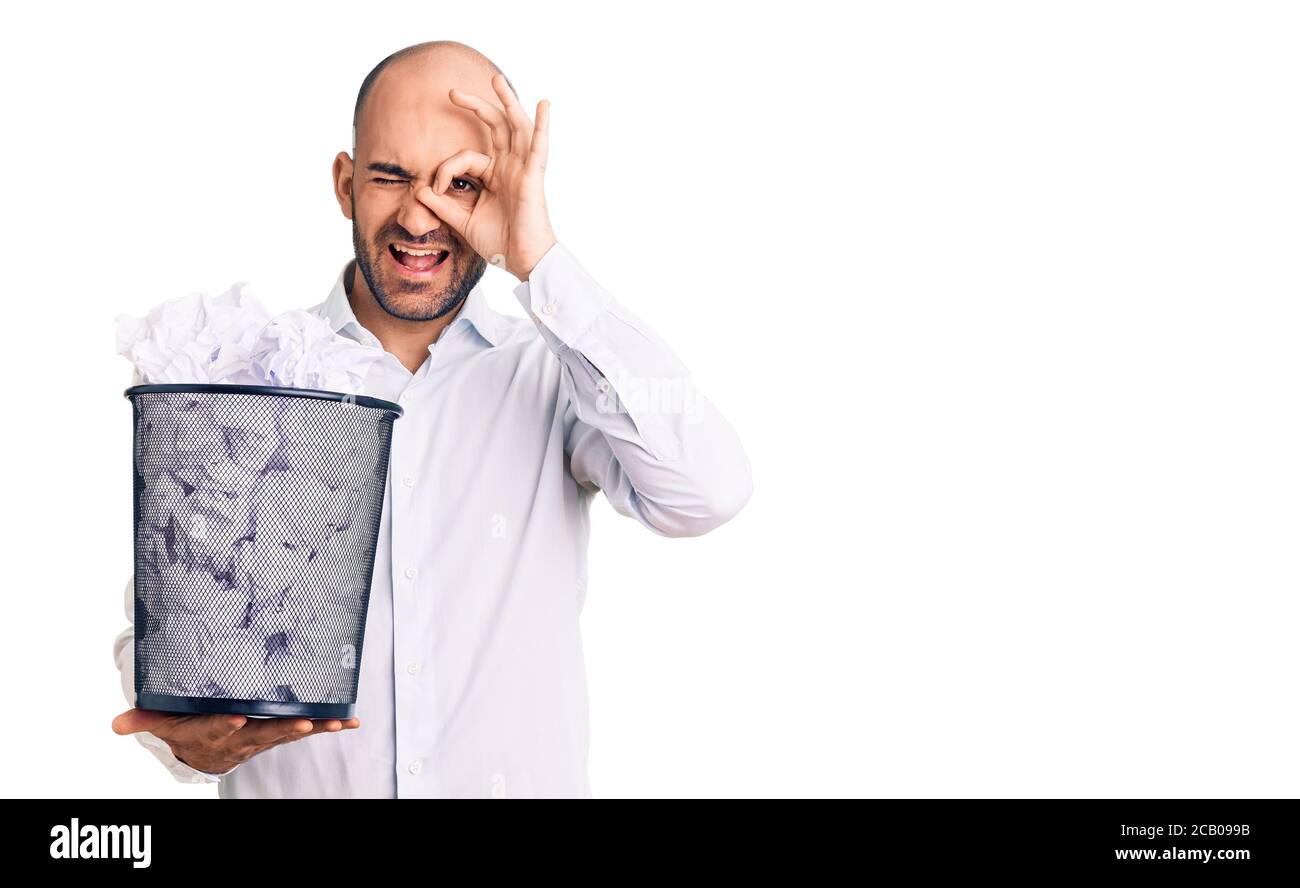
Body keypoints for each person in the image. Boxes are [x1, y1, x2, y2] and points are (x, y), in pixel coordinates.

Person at [111, 40, 751, 798]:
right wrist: (188, 739)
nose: (423, 216)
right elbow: (175, 606)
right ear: (346, 185)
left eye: (464, 183)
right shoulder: (246, 374)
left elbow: (705, 491)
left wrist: (540, 259)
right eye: (392, 177)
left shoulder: (558, 371)